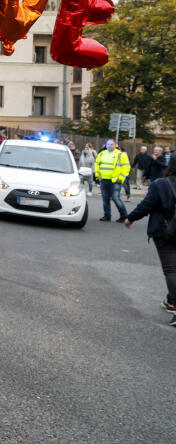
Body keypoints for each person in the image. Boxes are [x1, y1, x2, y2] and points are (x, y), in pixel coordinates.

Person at [124, 162, 176, 327]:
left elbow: (146, 205)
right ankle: (170, 300)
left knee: (171, 270)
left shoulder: (161, 184)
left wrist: (130, 218)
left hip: (164, 232)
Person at [95, 139, 130, 222]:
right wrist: (97, 175)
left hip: (115, 181)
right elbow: (96, 165)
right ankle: (107, 216)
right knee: (105, 198)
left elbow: (126, 167)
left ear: (116, 145)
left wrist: (121, 178)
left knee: (115, 198)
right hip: (103, 179)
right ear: (105, 145)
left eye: (111, 144)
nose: (109, 146)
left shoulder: (121, 155)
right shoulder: (101, 154)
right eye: (108, 144)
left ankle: (124, 216)